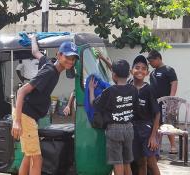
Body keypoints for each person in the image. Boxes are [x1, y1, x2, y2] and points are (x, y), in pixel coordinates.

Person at [11, 34, 79, 175]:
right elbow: (22, 91)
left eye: (73, 59)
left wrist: (33, 38)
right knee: (38, 159)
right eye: (67, 57)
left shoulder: (48, 63)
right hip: (25, 115)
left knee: (29, 155)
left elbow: (35, 52)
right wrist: (17, 122)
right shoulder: (49, 71)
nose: (70, 62)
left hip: (28, 115)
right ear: (59, 55)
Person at [89, 59, 138, 175]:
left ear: (114, 75)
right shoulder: (133, 89)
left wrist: (91, 89)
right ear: (129, 74)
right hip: (129, 128)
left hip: (114, 129)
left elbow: (93, 103)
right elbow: (135, 108)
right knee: (127, 162)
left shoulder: (109, 91)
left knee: (117, 162)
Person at [128, 55, 160, 175]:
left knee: (151, 162)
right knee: (140, 162)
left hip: (146, 130)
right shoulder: (128, 86)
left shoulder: (149, 89)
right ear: (131, 71)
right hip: (132, 130)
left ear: (147, 72)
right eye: (137, 67)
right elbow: (116, 75)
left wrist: (153, 136)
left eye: (143, 68)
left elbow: (157, 114)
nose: (140, 70)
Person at [147, 50, 178, 154]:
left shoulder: (168, 70)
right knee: (156, 124)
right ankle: (157, 146)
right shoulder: (152, 73)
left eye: (151, 61)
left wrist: (170, 99)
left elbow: (174, 83)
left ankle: (173, 146)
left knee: (168, 125)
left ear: (158, 59)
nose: (150, 64)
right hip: (155, 103)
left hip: (166, 103)